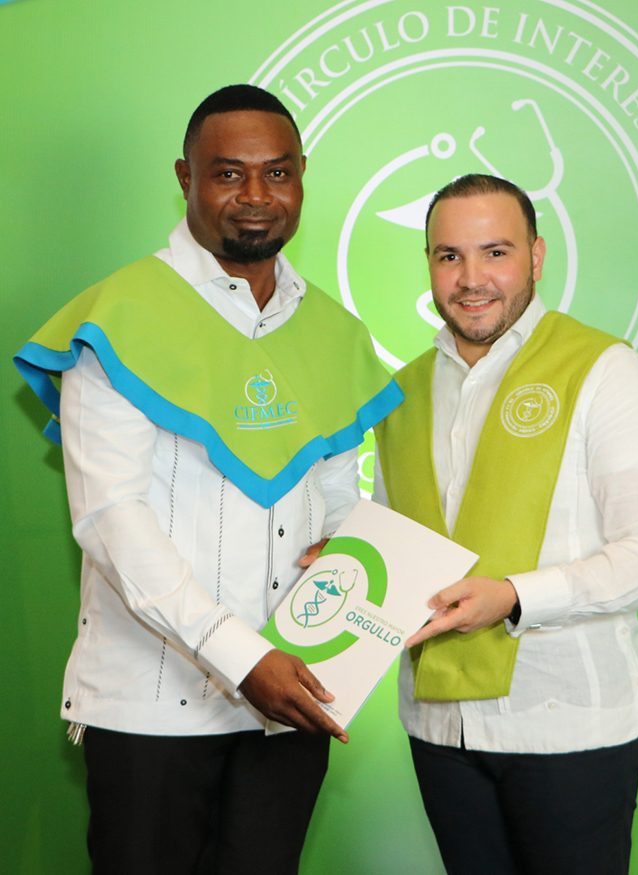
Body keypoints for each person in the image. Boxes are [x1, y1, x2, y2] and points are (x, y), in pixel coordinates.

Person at [14, 84, 402, 875]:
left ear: (301, 177)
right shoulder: (118, 317)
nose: (256, 195)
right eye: (229, 174)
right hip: (150, 707)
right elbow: (111, 519)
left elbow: (338, 494)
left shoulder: (331, 328)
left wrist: (346, 554)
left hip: (292, 701)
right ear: (185, 178)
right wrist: (240, 655)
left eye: (277, 172)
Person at [373, 173, 638, 875]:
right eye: (449, 255)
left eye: (496, 252)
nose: (471, 278)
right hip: (440, 728)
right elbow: (395, 543)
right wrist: (344, 564)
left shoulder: (606, 371)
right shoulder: (400, 392)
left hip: (569, 727)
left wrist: (516, 595)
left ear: (537, 256)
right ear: (428, 263)